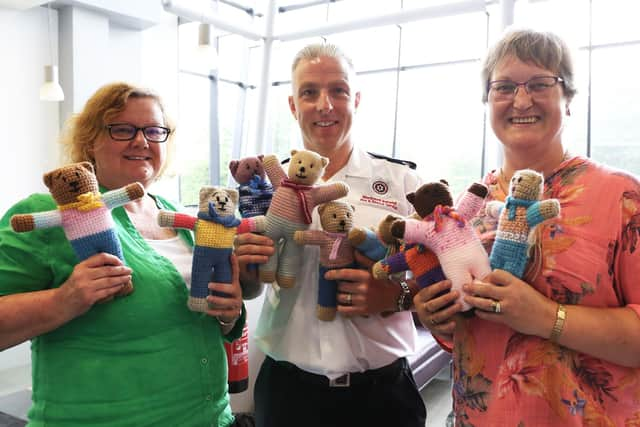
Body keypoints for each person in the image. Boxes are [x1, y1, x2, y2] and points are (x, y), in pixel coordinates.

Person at [414, 28, 640, 426]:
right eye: (503, 87)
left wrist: (546, 317)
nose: (521, 100)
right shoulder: (466, 210)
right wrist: (438, 316)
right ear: (487, 101)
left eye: (540, 84)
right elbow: (466, 339)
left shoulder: (621, 197)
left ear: (567, 98)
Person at [0, 82, 247, 427]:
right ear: (90, 140)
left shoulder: (182, 216)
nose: (141, 141)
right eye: (122, 129)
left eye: (154, 130)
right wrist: (63, 300)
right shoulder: (49, 213)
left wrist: (229, 314)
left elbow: (206, 322)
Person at [234, 43, 427, 427]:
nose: (325, 104)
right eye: (309, 92)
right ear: (293, 105)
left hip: (384, 398)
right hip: (290, 396)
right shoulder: (268, 185)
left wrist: (395, 295)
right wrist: (247, 268)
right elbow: (253, 288)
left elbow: (440, 283)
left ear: (355, 99)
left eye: (338, 90)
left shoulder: (403, 182)